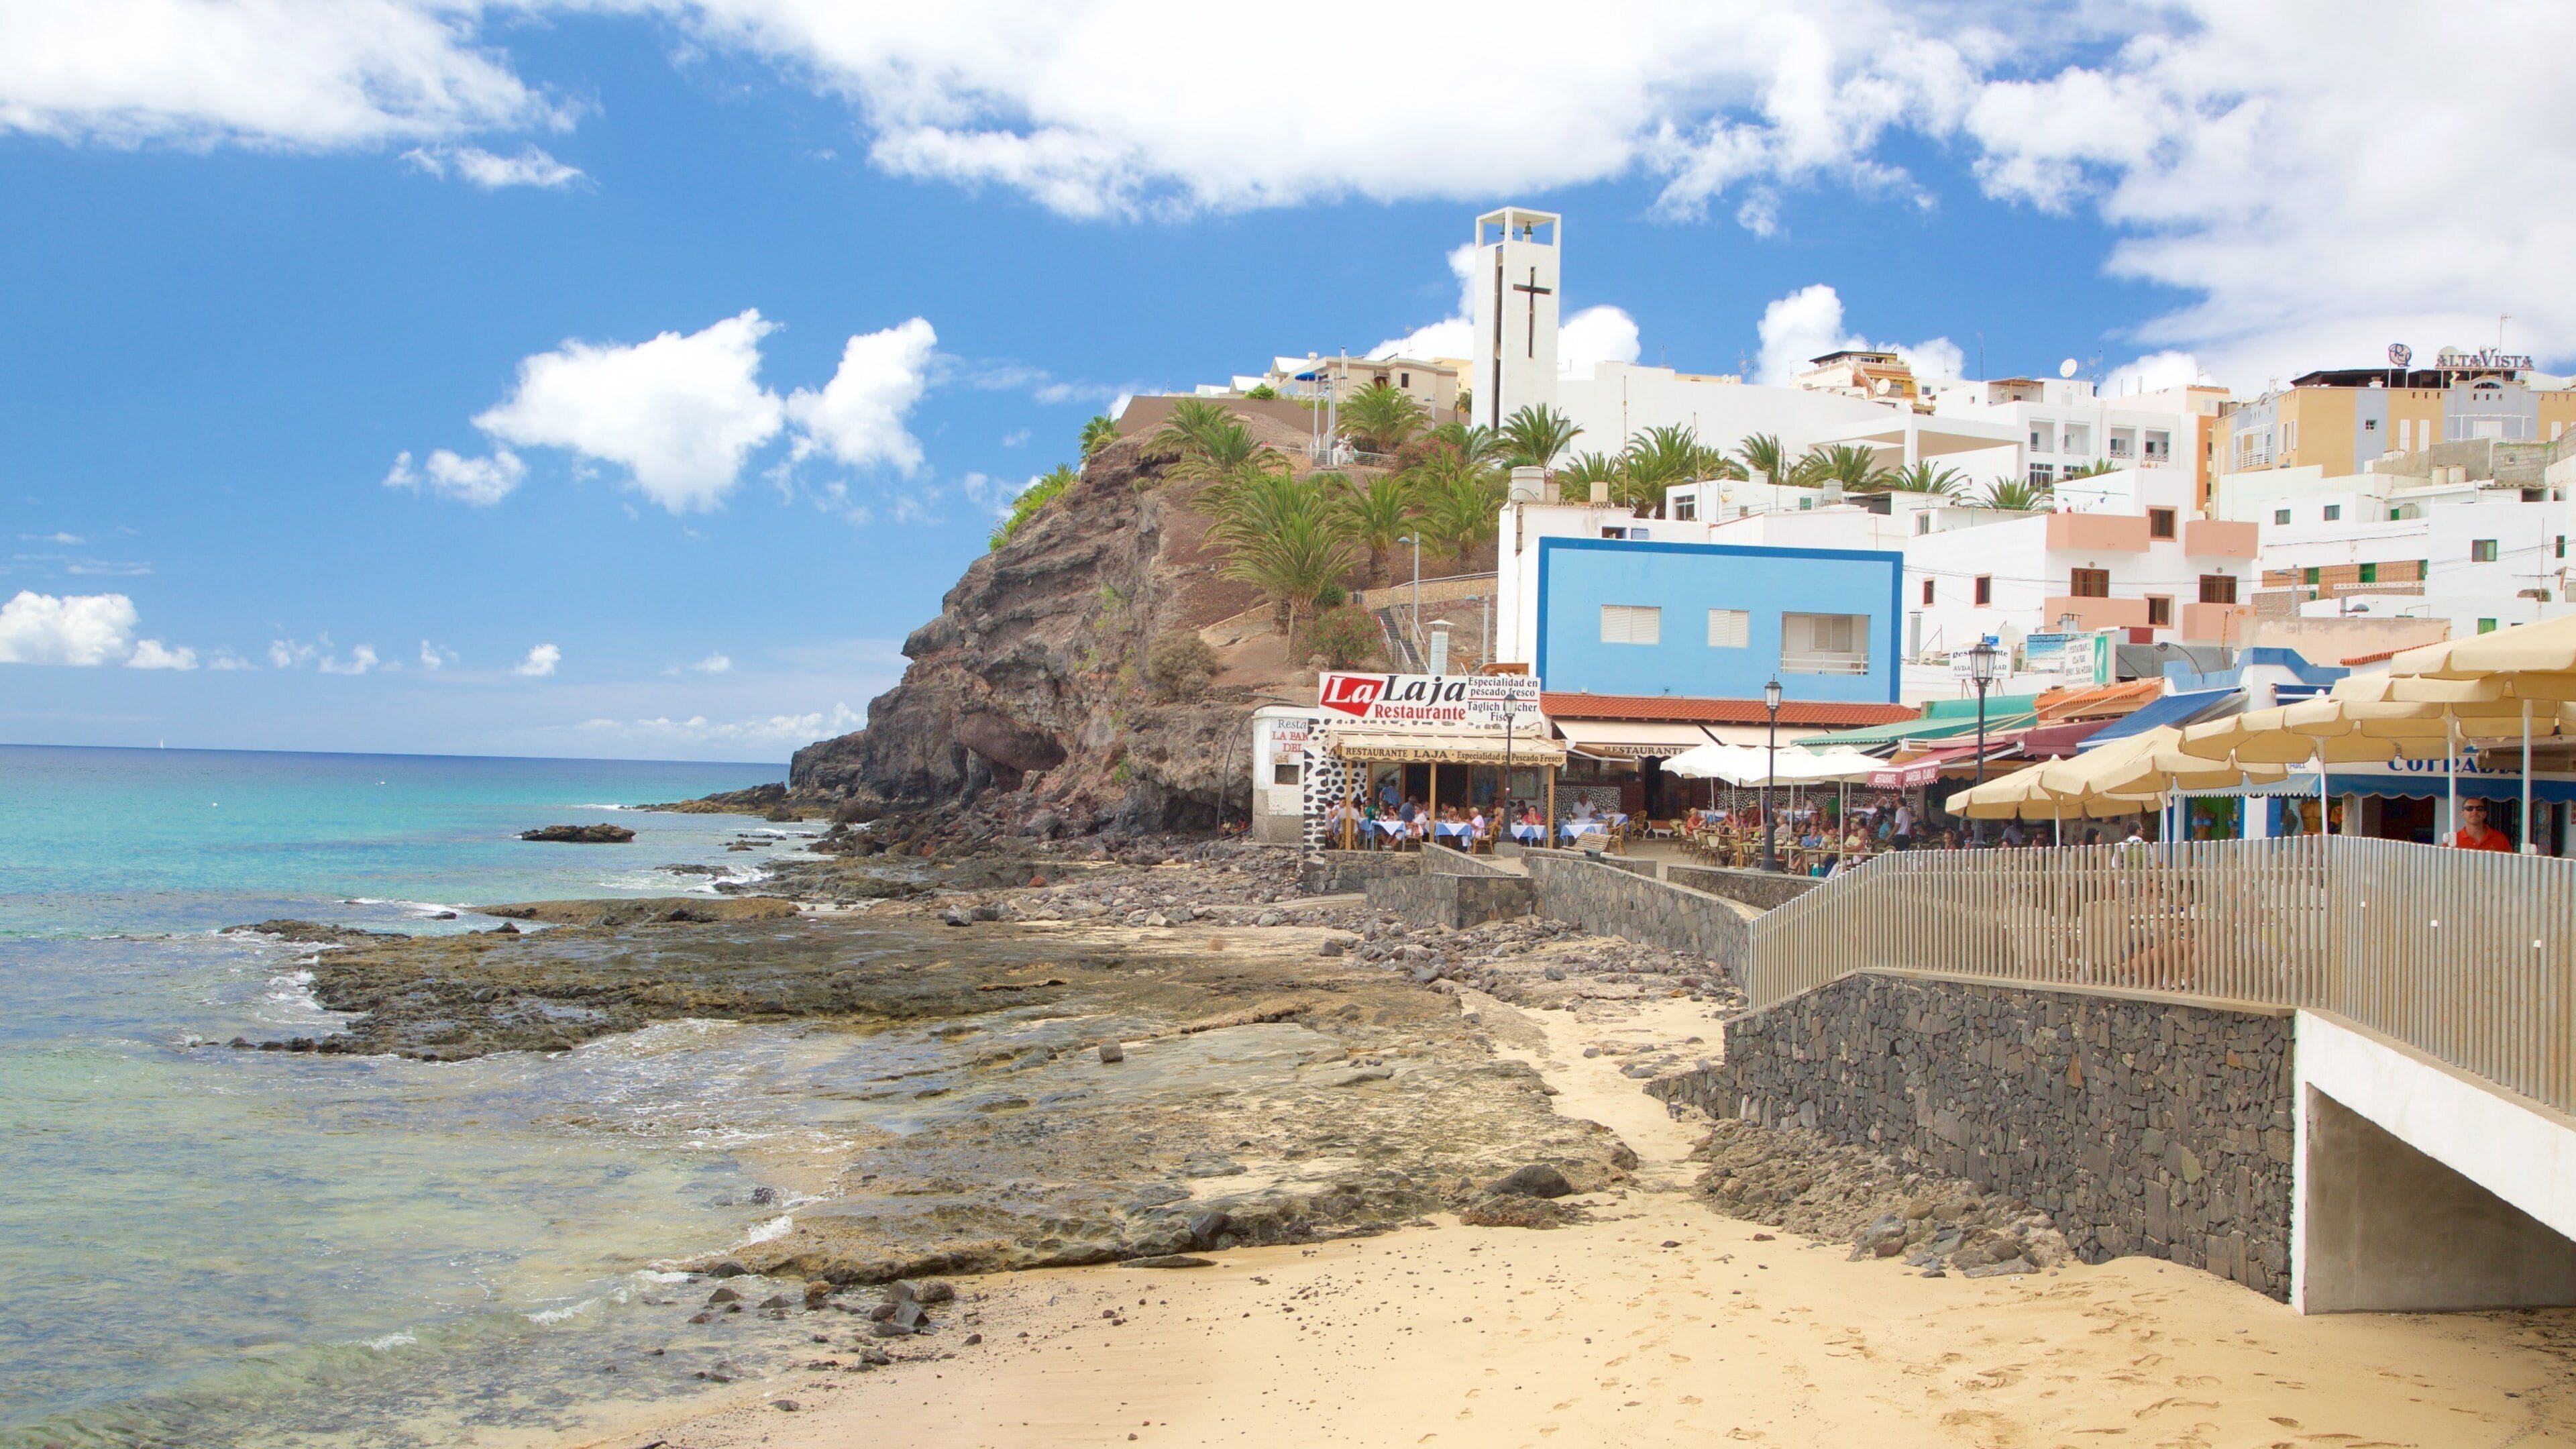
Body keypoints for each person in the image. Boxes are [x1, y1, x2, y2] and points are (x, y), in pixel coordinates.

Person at [2450, 799, 2515, 852]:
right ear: (2462, 814)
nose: (2475, 812)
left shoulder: (2500, 838)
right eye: (2469, 808)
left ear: (2485, 814)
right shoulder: (2452, 840)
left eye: (2479, 809)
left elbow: (2510, 864)